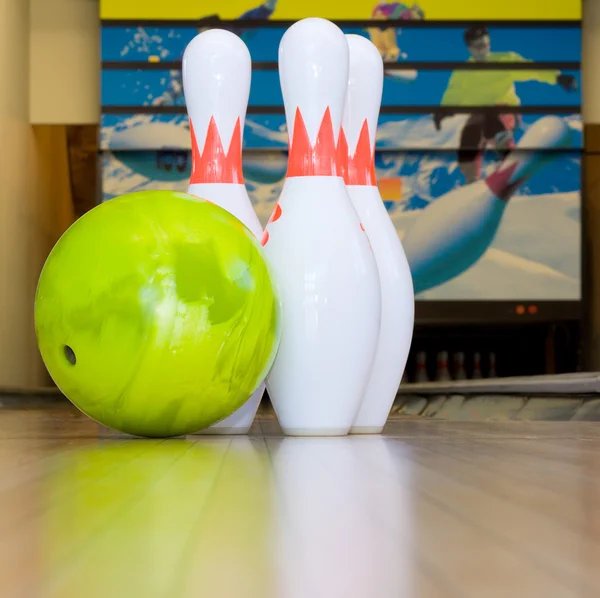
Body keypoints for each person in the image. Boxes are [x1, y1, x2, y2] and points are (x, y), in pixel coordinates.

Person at [433, 24, 578, 184]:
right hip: (481, 119)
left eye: (485, 44)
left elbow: (532, 69)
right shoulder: (462, 73)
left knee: (488, 115)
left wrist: (557, 77)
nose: (482, 50)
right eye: (477, 46)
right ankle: (471, 178)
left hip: (507, 113)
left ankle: (507, 155)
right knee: (469, 133)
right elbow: (453, 94)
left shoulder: (504, 60)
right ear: (469, 48)